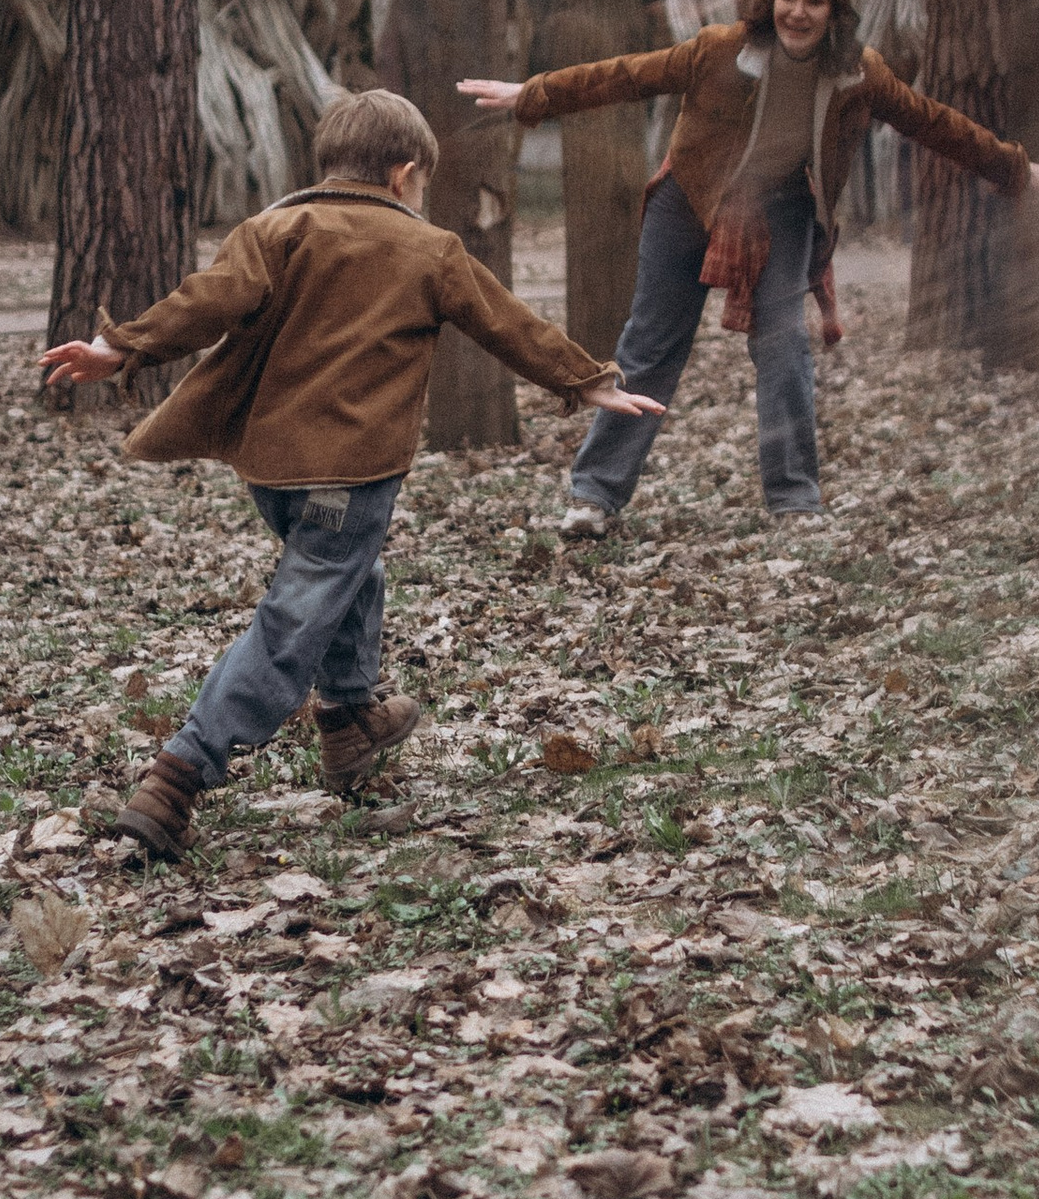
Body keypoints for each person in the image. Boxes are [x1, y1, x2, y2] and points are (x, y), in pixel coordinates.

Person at [40, 88, 663, 861]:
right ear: (405, 175)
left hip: (273, 470)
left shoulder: (277, 228)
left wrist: (120, 347)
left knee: (346, 578)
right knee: (293, 622)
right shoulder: (427, 249)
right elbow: (507, 323)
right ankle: (177, 776)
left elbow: (203, 303)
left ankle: (347, 723)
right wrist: (588, 380)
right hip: (351, 471)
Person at [459, 0, 1039, 538]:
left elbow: (932, 122)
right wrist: (533, 94)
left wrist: (1018, 170)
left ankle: (794, 501)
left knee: (785, 350)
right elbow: (626, 76)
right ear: (772, 1)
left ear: (835, 15)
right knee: (651, 344)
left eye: (816, 2)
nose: (798, 12)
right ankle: (594, 496)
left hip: (783, 211)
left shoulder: (859, 75)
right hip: (691, 200)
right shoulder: (720, 50)